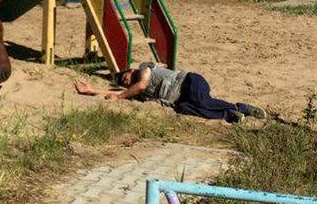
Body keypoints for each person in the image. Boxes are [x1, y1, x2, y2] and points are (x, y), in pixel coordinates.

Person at [75, 62, 266, 124]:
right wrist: (91, 90)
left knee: (204, 102)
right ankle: (230, 115)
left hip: (190, 82)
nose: (125, 82)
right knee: (185, 109)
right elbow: (113, 91)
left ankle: (241, 107)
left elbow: (140, 85)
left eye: (124, 77)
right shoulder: (133, 92)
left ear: (130, 71)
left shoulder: (144, 69)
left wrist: (119, 96)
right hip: (181, 100)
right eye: (122, 83)